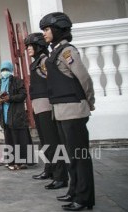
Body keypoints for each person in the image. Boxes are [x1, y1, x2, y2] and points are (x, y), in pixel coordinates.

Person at [40, 12, 95, 211]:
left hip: (73, 110)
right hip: (61, 112)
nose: (44, 33)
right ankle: (74, 190)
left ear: (57, 29)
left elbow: (84, 79)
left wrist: (90, 101)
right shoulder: (55, 53)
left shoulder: (67, 52)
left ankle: (84, 197)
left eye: (46, 29)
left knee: (79, 157)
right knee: (71, 157)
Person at [25, 33, 68, 189]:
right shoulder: (37, 61)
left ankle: (60, 176)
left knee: (52, 142)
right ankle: (49, 169)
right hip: (38, 105)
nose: (28, 49)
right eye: (27, 46)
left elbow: (52, 80)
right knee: (44, 142)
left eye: (31, 46)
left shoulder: (44, 61)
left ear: (39, 46)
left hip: (46, 105)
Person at [0, 61, 29, 170]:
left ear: (10, 70)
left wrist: (10, 98)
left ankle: (21, 162)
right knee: (8, 138)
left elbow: (23, 95)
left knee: (18, 138)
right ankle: (11, 162)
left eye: (6, 69)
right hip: (4, 115)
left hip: (15, 113)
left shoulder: (17, 80)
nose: (4, 72)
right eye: (2, 70)